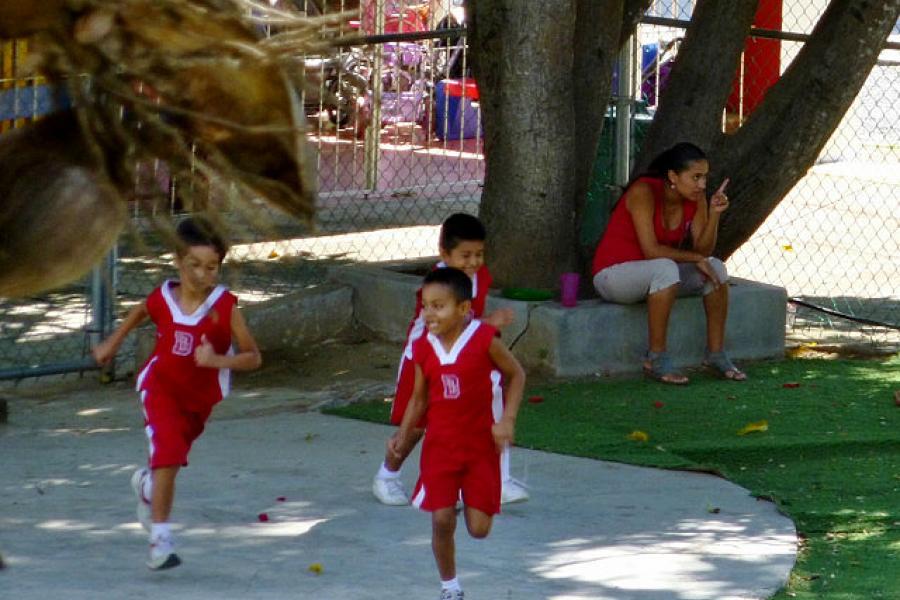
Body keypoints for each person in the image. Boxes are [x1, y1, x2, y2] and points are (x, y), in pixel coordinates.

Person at [92, 216, 262, 570]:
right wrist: (112, 342)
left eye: (212, 267)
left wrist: (216, 360)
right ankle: (161, 541)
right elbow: (141, 311)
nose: (202, 274)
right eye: (194, 265)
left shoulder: (225, 307)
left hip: (198, 402)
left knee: (167, 467)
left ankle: (147, 487)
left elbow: (253, 357)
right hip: (160, 389)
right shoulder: (163, 297)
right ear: (178, 261)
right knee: (167, 454)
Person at [372, 212, 529, 506]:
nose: (473, 262)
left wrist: (484, 335)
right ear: (444, 253)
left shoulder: (479, 277)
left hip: (462, 357)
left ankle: (498, 479)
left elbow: (468, 324)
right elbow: (450, 325)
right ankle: (387, 475)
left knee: (485, 407)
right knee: (418, 422)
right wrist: (488, 323)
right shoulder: (436, 286)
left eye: (479, 254)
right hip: (424, 358)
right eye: (465, 255)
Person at [389, 267, 525, 600]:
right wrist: (402, 436)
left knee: (479, 529)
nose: (429, 313)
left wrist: (507, 420)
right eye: (426, 306)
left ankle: (469, 496)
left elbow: (517, 374)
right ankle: (450, 586)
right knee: (442, 519)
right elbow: (419, 399)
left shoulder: (483, 340)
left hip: (480, 448)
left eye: (439, 306)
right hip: (440, 449)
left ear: (463, 309)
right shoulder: (422, 348)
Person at [591, 142, 746, 384]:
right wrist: (696, 259)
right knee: (666, 268)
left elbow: (703, 250)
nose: (702, 185)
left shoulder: (696, 199)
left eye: (705, 177)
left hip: (656, 278)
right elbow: (651, 251)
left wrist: (715, 214)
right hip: (613, 276)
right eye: (696, 177)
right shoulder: (644, 191)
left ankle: (716, 354)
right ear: (673, 176)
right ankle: (656, 358)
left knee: (715, 268)